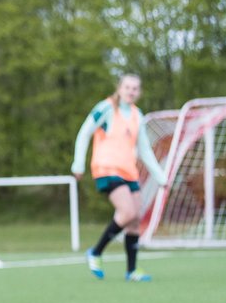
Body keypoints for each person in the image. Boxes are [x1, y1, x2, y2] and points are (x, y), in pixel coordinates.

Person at [71, 74, 167, 282]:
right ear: (120, 88)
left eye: (135, 88)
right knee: (127, 211)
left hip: (129, 172)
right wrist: (78, 164)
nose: (131, 91)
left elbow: (144, 150)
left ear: (139, 92)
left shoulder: (137, 115)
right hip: (106, 168)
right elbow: (84, 133)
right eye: (127, 87)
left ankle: (131, 270)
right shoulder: (105, 108)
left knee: (134, 220)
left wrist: (161, 177)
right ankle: (95, 252)